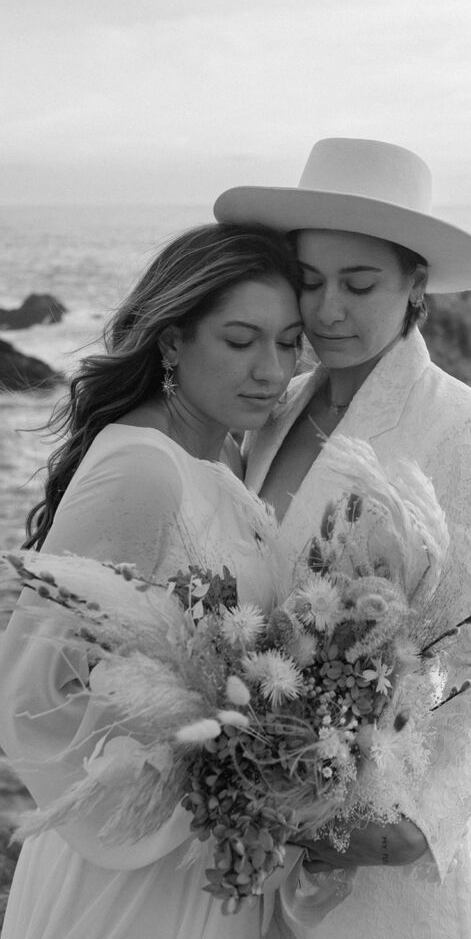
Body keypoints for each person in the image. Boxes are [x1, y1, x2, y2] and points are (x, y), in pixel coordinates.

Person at [214, 138, 471, 939]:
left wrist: (413, 821)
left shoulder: (462, 429)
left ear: (415, 283)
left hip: (383, 865)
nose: (327, 312)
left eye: (359, 285)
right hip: (254, 849)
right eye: (311, 283)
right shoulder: (273, 405)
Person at [0, 224, 305, 939]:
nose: (272, 370)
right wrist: (218, 777)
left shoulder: (223, 455)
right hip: (135, 877)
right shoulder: (143, 469)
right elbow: (30, 690)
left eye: (288, 341)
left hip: (214, 857)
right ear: (172, 342)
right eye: (241, 340)